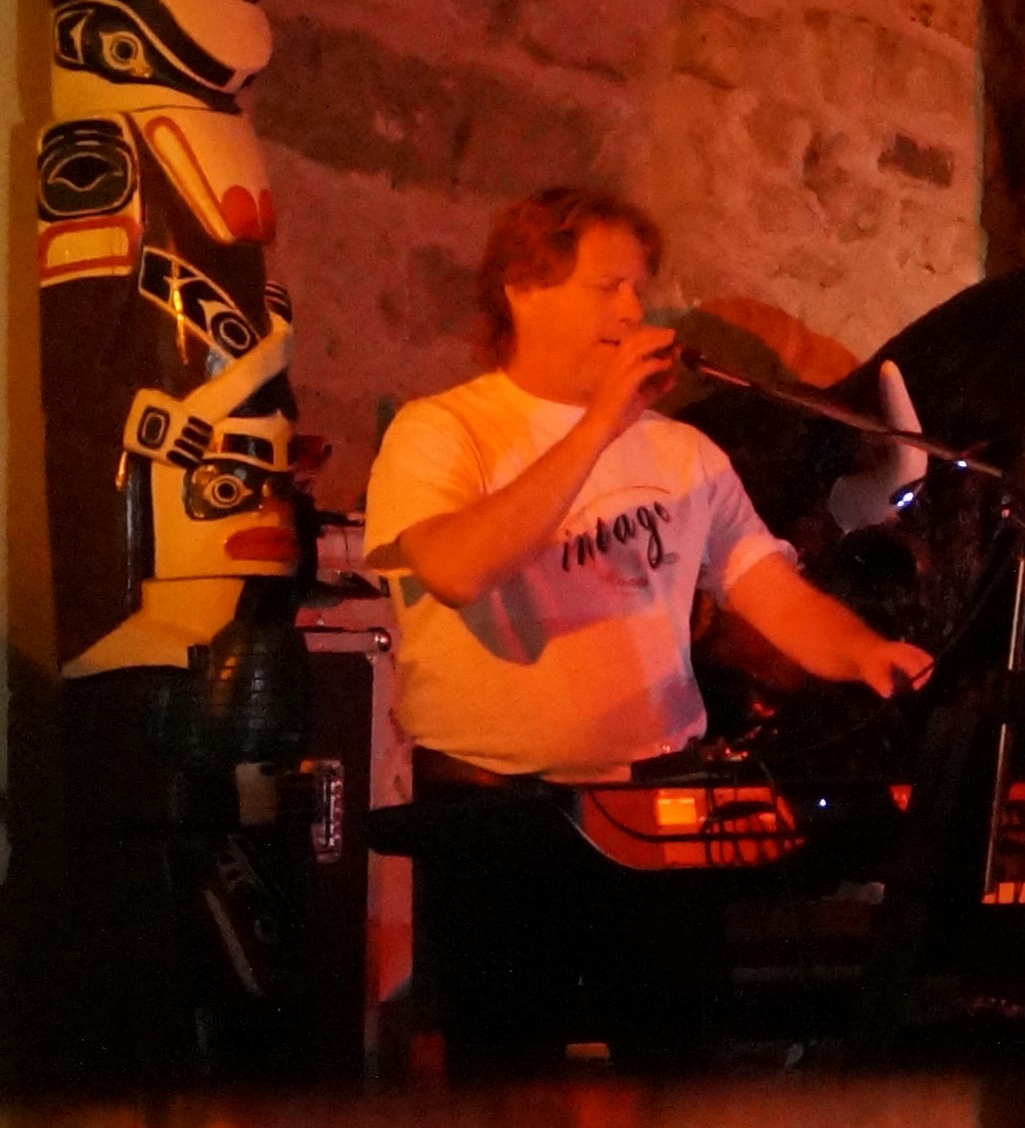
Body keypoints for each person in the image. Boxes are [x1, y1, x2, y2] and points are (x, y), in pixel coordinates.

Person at [359, 187, 937, 1074]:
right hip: (500, 818)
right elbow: (456, 569)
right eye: (607, 287)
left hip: (657, 809)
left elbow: (764, 586)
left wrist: (863, 652)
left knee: (680, 1066)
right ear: (523, 289)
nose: (633, 310)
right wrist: (597, 426)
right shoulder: (443, 431)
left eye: (638, 287)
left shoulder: (683, 453)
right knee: (507, 1076)